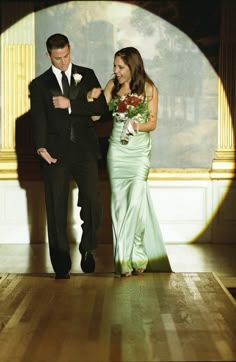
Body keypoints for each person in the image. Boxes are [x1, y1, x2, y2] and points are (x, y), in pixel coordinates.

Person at [29, 33, 108, 279]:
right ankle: (61, 266)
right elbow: (38, 118)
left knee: (93, 203)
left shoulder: (87, 74)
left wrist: (71, 105)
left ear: (70, 50)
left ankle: (87, 248)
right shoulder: (39, 84)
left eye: (65, 57)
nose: (63, 62)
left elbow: (101, 108)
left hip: (85, 151)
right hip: (55, 154)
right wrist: (41, 147)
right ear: (48, 55)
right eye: (57, 58)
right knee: (55, 208)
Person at [92, 47, 172, 277]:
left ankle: (132, 255)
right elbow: (95, 116)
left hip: (138, 153)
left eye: (120, 67)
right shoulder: (112, 87)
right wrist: (90, 99)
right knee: (119, 206)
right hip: (116, 151)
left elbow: (152, 123)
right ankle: (130, 260)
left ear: (133, 67)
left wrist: (135, 125)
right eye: (115, 66)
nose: (115, 71)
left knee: (135, 206)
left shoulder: (149, 88)